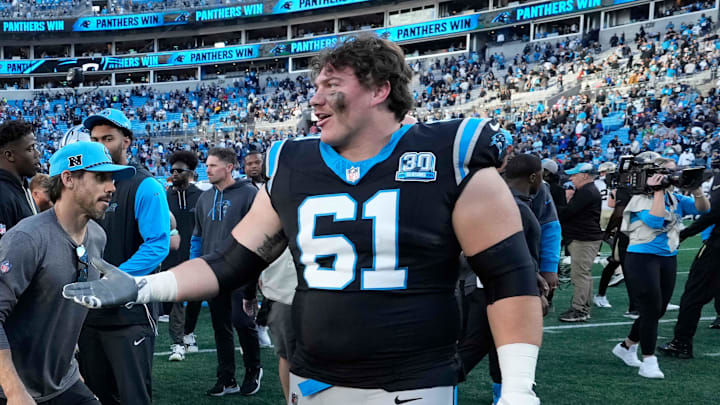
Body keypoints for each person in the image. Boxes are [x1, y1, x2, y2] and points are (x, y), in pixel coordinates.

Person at [63, 35, 543, 405]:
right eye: (315, 87)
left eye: (332, 87)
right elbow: (229, 262)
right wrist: (143, 286)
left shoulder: (450, 153)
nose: (314, 100)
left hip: (414, 381)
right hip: (315, 377)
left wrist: (519, 387)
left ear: (380, 89)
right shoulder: (294, 164)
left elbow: (508, 277)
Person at [0, 141, 134, 405]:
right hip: (11, 391)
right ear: (68, 178)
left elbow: (65, 309)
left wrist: (72, 369)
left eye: (112, 179)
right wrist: (15, 391)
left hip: (64, 384)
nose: (112, 187)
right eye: (101, 178)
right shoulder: (27, 239)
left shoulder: (97, 237)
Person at [78, 109, 171, 405]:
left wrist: (113, 280)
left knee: (133, 398)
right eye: (94, 139)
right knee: (96, 395)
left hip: (130, 314)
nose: (101, 145)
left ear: (127, 141)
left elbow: (157, 244)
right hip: (90, 313)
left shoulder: (145, 185)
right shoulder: (86, 185)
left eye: (108, 137)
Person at [457, 153, 549, 405]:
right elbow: (509, 255)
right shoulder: (512, 207)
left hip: (489, 286)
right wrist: (532, 287)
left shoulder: (504, 201)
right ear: (533, 176)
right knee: (472, 348)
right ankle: (430, 390)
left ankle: (503, 395)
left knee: (501, 349)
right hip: (498, 290)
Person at [612, 157, 709, 379]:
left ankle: (626, 347)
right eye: (667, 172)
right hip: (642, 257)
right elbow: (655, 221)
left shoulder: (674, 198)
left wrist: (696, 189)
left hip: (668, 256)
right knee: (651, 307)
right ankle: (648, 360)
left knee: (659, 309)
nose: (672, 177)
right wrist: (657, 191)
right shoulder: (639, 200)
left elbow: (704, 209)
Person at [189, 147, 263, 397]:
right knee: (220, 327)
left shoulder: (248, 193)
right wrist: (195, 266)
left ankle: (254, 370)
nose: (206, 170)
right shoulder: (205, 198)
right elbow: (197, 237)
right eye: (206, 165)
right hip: (212, 272)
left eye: (212, 166)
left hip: (241, 270)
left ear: (229, 167)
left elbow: (259, 233)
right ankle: (226, 378)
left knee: (242, 322)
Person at [657, 167, 720, 358]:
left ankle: (681, 342)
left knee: (693, 295)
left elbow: (713, 212)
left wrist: (684, 234)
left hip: (717, 248)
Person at [163, 150, 203, 361]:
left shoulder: (203, 195)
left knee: (195, 299)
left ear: (191, 172)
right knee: (177, 300)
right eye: (172, 171)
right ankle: (177, 343)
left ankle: (188, 333)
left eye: (179, 170)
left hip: (197, 256)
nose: (174, 174)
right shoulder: (164, 197)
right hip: (171, 257)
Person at [558, 163, 604, 322]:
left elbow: (568, 213)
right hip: (586, 238)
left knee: (580, 274)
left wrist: (563, 202)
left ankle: (580, 309)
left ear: (584, 175)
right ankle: (583, 306)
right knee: (583, 273)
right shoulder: (588, 190)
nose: (571, 178)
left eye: (574, 175)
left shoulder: (586, 192)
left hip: (584, 239)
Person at [0, 120, 39, 240]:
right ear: (9, 155)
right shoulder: (2, 195)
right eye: (30, 148)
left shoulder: (22, 187)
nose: (38, 153)